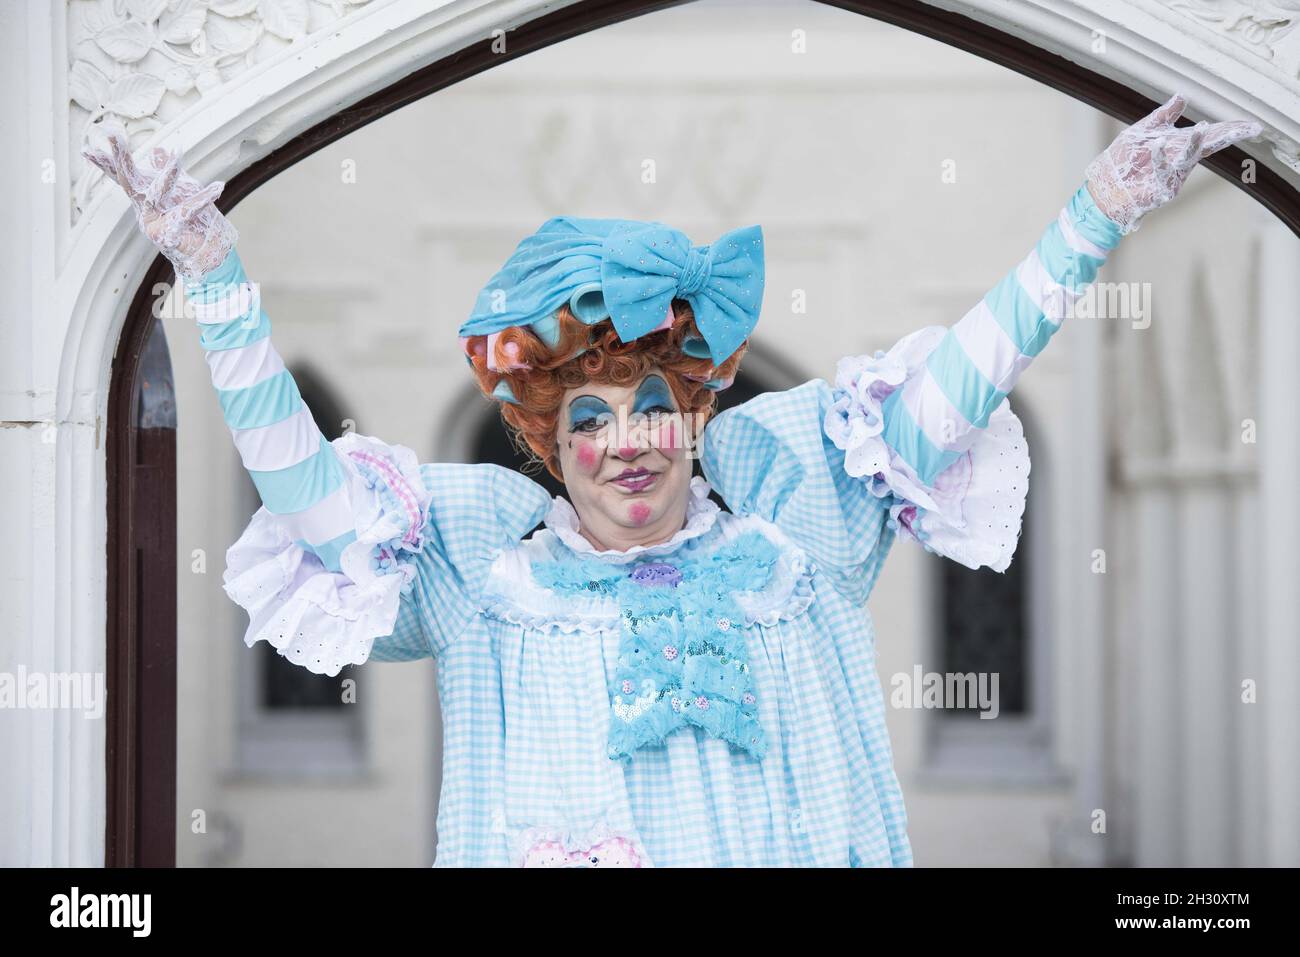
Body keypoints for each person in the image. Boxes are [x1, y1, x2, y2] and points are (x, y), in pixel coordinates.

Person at [84, 92, 1259, 867]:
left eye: (655, 406)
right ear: (547, 443)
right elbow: (305, 493)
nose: (628, 441)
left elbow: (960, 379)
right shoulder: (486, 576)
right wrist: (217, 278)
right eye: (589, 417)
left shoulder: (797, 540)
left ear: (696, 414)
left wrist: (1094, 219)